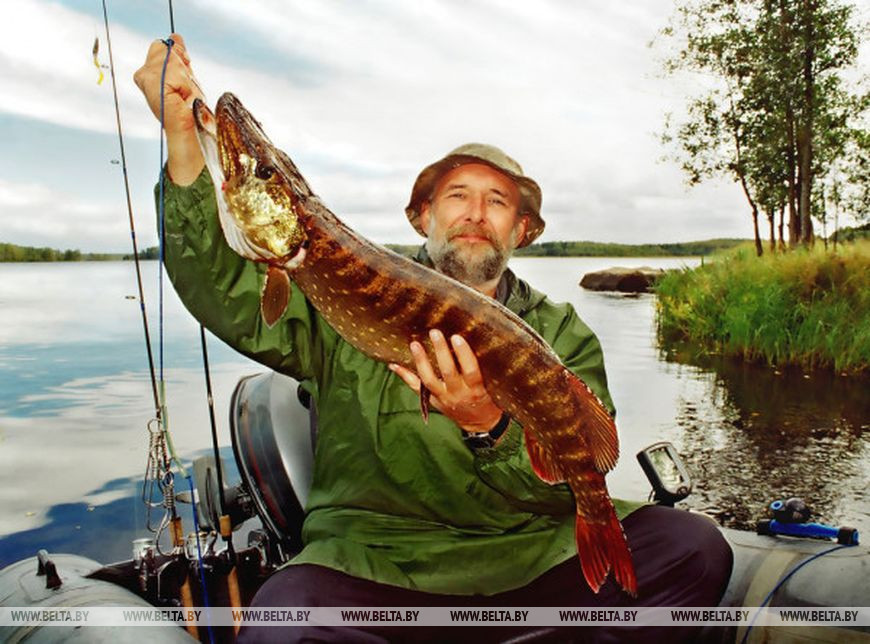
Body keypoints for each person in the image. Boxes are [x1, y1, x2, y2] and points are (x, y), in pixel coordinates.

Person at [134, 35, 732, 643]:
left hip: (528, 554)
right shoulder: (337, 290)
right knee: (282, 620)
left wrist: (489, 427)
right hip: (378, 562)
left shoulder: (561, 334)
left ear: (521, 229)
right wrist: (183, 140)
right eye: (457, 196)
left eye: (497, 202)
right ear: (424, 217)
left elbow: (573, 483)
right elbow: (219, 288)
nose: (475, 213)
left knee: (694, 549)